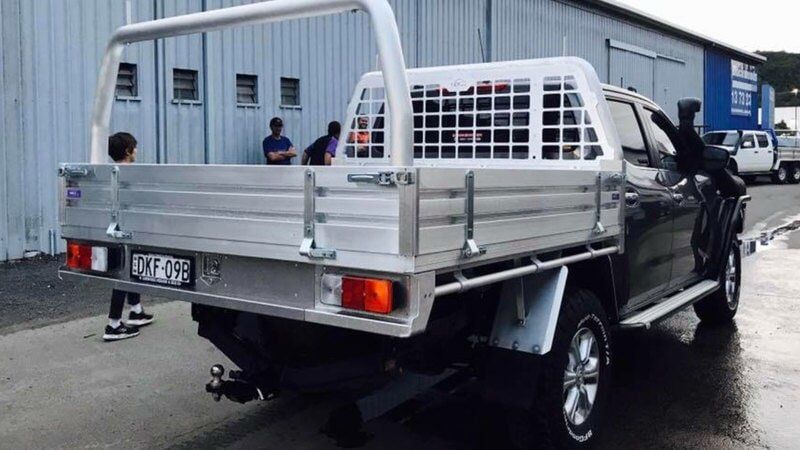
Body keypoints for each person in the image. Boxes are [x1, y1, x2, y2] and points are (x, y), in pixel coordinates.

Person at [103, 132, 154, 341]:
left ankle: (136, 310)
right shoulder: (130, 173)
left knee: (131, 270)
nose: (137, 151)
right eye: (135, 147)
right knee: (123, 275)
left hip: (115, 229)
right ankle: (113, 324)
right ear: (128, 151)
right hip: (127, 231)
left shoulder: (109, 172)